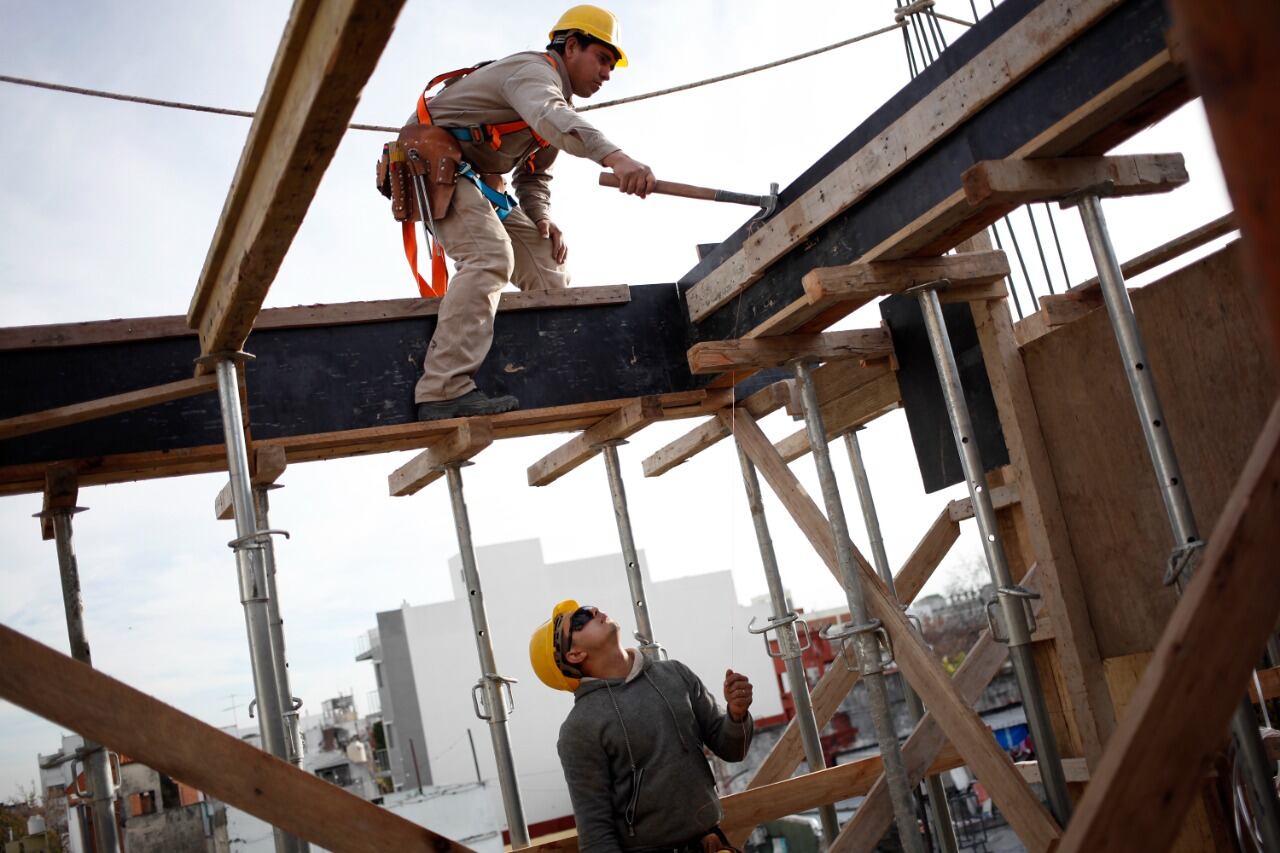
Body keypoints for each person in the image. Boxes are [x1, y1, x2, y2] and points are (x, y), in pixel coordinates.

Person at [407, 5, 656, 421]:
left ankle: (561, 371)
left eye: (611, 66)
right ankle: (443, 390)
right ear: (571, 46)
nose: (607, 74)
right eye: (602, 59)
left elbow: (534, 177)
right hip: (432, 165)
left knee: (546, 261)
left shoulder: (555, 99)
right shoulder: (533, 75)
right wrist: (616, 158)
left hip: (473, 180)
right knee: (489, 257)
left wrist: (540, 217)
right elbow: (554, 118)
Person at [529, 600, 755, 853]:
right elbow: (595, 832)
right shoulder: (578, 729)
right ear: (575, 655)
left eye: (588, 607)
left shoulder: (675, 674)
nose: (592, 611)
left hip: (710, 844)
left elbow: (734, 750)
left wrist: (737, 717)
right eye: (580, 619)